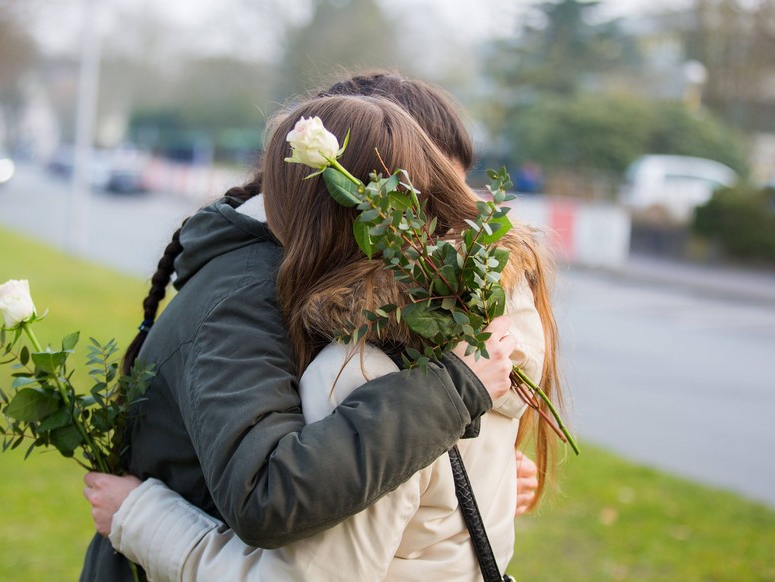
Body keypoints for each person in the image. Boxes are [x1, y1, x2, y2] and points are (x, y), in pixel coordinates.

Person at [84, 94, 565, 581]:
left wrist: (485, 471)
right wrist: (135, 516)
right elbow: (268, 495)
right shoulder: (443, 346)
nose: (451, 231)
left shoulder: (385, 359)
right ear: (368, 199)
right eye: (438, 193)